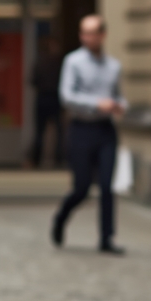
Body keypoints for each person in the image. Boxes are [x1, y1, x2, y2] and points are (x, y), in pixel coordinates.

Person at [51, 14, 128, 254]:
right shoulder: (73, 62)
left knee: (107, 187)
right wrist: (97, 103)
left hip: (106, 131)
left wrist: (120, 105)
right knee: (82, 187)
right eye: (84, 32)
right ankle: (61, 217)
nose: (87, 37)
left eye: (92, 32)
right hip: (81, 129)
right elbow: (67, 96)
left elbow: (118, 95)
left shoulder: (114, 66)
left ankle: (106, 238)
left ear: (102, 35)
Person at [29, 35, 64, 168]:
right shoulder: (59, 63)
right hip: (51, 97)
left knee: (42, 131)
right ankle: (57, 160)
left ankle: (38, 160)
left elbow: (33, 80)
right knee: (52, 131)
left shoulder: (42, 61)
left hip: (46, 97)